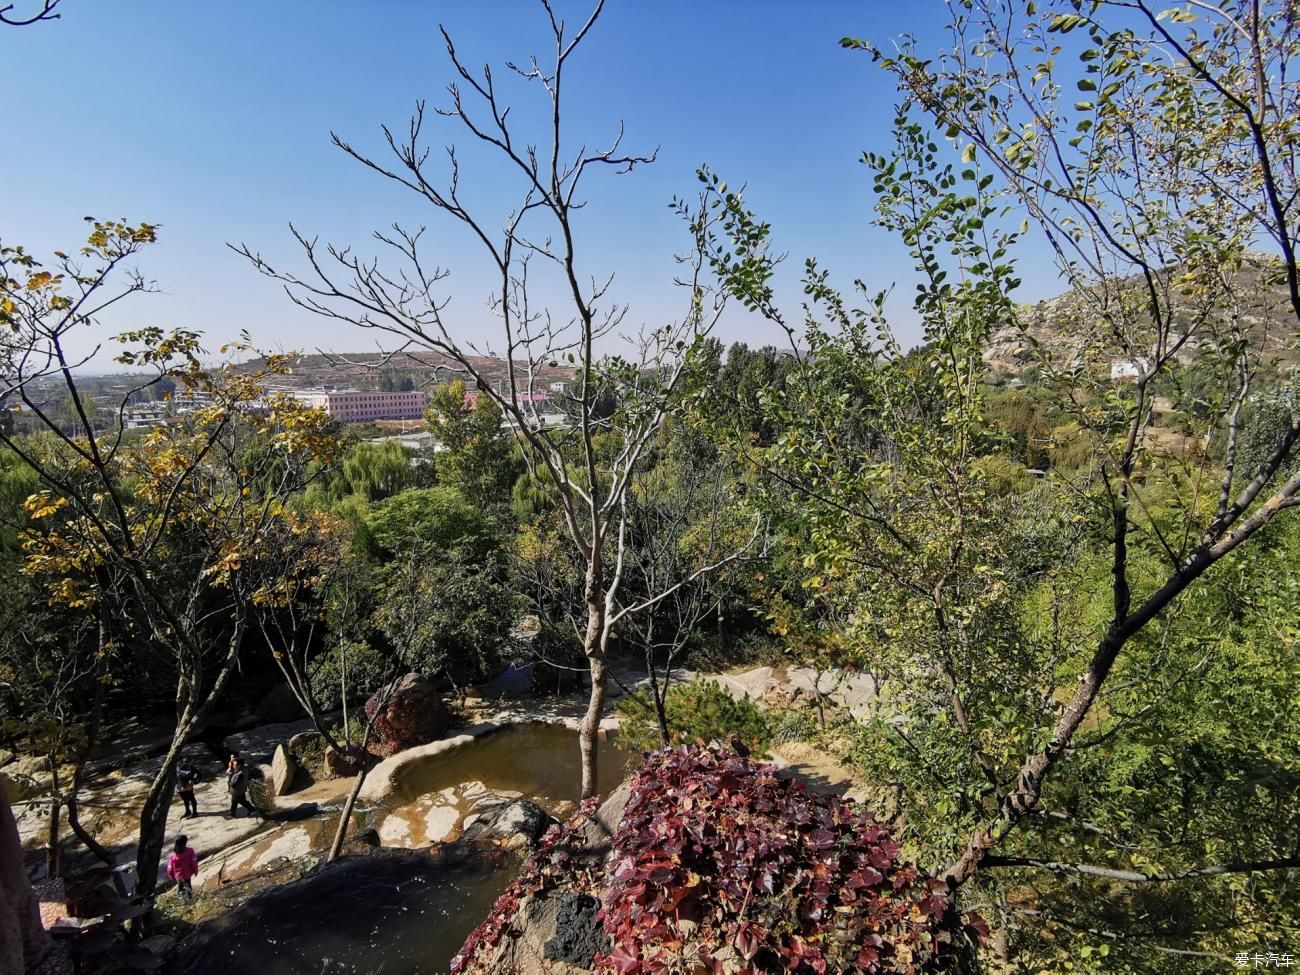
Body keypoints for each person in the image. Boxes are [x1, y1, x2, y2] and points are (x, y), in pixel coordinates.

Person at [166, 835, 198, 903]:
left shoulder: (172, 856)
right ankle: (189, 900)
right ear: (185, 843)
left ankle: (181, 901)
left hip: (179, 876)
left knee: (180, 888)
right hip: (187, 874)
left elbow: (169, 868)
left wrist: (171, 876)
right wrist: (195, 870)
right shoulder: (190, 851)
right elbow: (194, 861)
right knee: (188, 886)